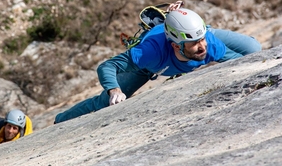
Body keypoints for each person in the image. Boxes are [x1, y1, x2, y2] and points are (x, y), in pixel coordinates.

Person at [54, 7, 262, 123]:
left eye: (201, 40)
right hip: (149, 67)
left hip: (194, 37)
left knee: (254, 49)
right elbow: (106, 67)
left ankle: (180, 21)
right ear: (175, 45)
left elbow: (244, 63)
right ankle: (60, 120)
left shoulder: (209, 45)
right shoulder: (149, 53)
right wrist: (113, 90)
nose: (201, 47)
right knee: (103, 103)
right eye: (194, 43)